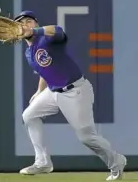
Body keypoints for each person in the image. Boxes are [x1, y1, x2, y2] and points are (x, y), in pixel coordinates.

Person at [13, 10, 126, 181]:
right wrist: (39, 92)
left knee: (86, 137)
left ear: (36, 24)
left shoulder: (47, 38)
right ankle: (43, 161)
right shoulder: (29, 53)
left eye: (29, 21)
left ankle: (117, 161)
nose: (25, 25)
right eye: (20, 23)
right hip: (53, 91)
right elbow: (44, 71)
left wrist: (35, 31)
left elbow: (58, 30)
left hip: (75, 91)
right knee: (29, 115)